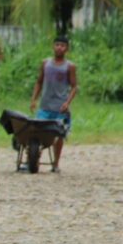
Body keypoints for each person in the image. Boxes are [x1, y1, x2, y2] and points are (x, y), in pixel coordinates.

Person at [30, 35, 77, 171]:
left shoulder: (69, 66)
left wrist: (67, 102)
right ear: (53, 47)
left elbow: (74, 86)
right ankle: (34, 160)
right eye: (57, 45)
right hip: (44, 105)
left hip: (60, 108)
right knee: (37, 132)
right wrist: (33, 99)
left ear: (66, 49)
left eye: (62, 46)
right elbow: (39, 82)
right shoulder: (46, 63)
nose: (59, 48)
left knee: (59, 135)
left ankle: (56, 163)